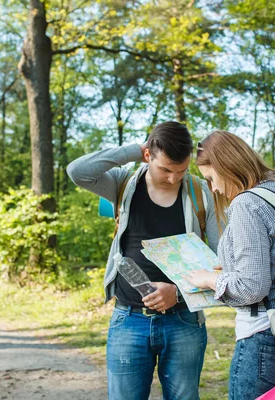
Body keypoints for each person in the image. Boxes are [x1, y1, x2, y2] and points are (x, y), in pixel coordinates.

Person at [67, 121, 220, 400]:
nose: (174, 178)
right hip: (129, 321)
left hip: (184, 322)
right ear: (148, 155)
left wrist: (179, 293)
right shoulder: (122, 183)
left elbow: (222, 263)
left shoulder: (202, 193)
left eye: (182, 170)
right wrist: (132, 151)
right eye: (165, 170)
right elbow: (77, 172)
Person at [185, 130, 275, 400]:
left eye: (211, 179)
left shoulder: (247, 203)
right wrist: (230, 271)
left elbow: (252, 288)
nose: (214, 188)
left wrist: (208, 279)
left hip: (267, 337)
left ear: (225, 166)